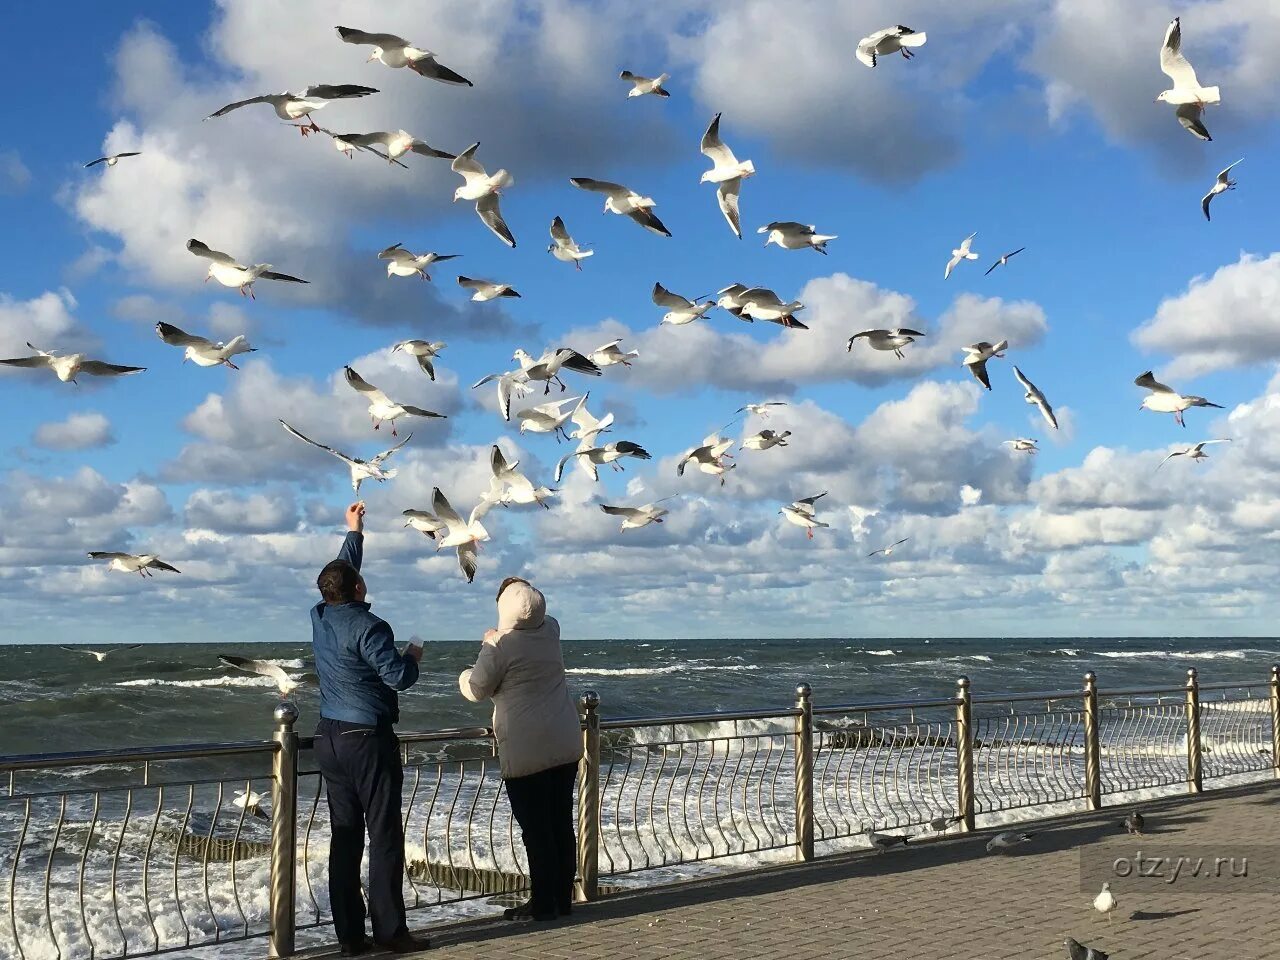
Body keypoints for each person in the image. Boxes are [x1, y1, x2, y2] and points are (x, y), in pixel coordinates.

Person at [311, 502, 427, 956]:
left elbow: (340, 576)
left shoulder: (320, 616)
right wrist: (413, 657)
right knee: (383, 836)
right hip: (366, 740)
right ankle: (390, 932)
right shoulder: (372, 626)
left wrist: (354, 532)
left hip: (329, 739)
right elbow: (398, 678)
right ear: (358, 587)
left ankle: (349, 938)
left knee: (344, 837)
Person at [458, 577, 583, 921]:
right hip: (564, 738)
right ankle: (561, 899)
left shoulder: (500, 645)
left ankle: (542, 904)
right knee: (560, 824)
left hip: (527, 747)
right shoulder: (552, 631)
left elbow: (477, 689)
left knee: (536, 830)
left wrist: (483, 650)